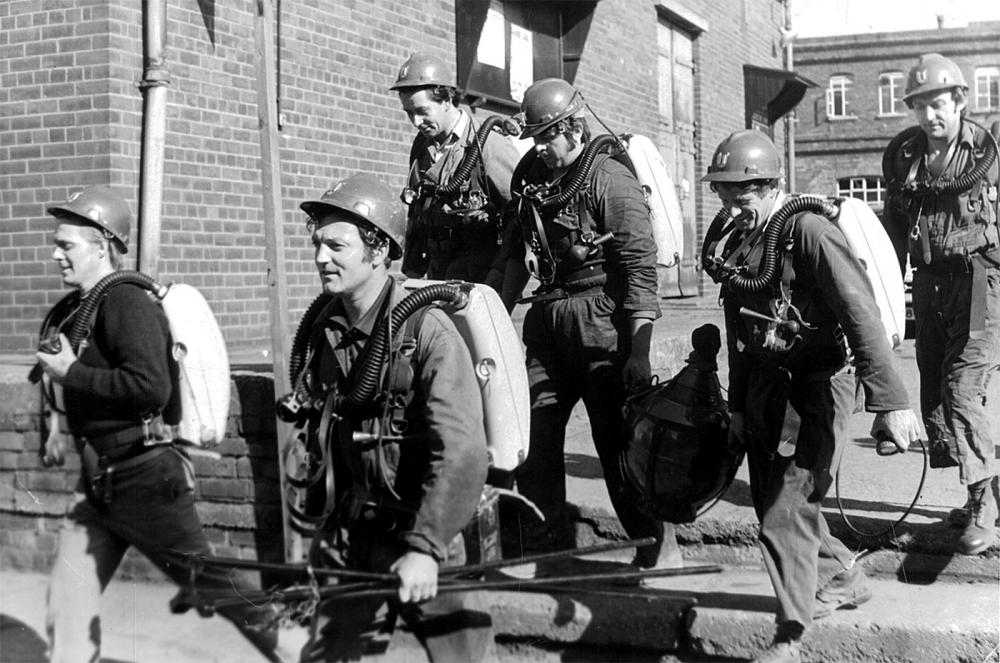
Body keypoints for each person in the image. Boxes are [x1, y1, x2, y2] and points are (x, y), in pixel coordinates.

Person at [36, 186, 296, 662]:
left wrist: (71, 373)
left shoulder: (126, 303)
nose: (56, 254)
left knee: (217, 587)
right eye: (56, 243)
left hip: (144, 479)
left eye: (66, 244)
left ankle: (304, 653)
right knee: (67, 606)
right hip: (98, 486)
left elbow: (150, 387)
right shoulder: (85, 308)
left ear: (103, 245)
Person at [702, 131, 925, 663]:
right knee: (773, 505)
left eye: (745, 195)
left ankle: (790, 638)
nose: (734, 206)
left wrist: (890, 401)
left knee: (786, 510)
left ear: (773, 185)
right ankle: (845, 576)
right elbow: (739, 333)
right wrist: (736, 406)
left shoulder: (809, 231)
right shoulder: (738, 242)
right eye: (725, 195)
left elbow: (860, 311)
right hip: (764, 388)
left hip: (818, 387)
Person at [292, 174, 494, 662]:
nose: (322, 257)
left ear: (379, 249)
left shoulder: (429, 332)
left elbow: (463, 450)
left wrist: (425, 548)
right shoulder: (326, 329)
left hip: (429, 535)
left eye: (337, 245)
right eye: (318, 243)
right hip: (355, 536)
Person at [499, 77, 673, 573]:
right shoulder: (532, 175)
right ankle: (545, 548)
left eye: (548, 136)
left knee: (617, 444)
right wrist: (495, 316)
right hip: (547, 321)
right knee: (534, 438)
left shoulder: (609, 178)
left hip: (602, 322)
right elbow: (514, 252)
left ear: (574, 126)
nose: (541, 148)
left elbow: (640, 269)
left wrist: (639, 352)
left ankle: (656, 549)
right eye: (534, 138)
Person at [882, 52, 1000, 556]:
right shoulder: (905, 157)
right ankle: (989, 489)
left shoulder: (985, 154)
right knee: (935, 387)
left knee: (963, 387)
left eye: (940, 104)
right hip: (927, 285)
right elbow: (889, 228)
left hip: (978, 278)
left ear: (960, 102)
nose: (931, 116)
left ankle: (982, 507)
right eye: (921, 106)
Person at [391, 52, 521, 290]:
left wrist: (500, 275)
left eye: (422, 111)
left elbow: (520, 214)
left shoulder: (488, 145)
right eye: (409, 113)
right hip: (436, 281)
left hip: (479, 286)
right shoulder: (422, 146)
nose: (416, 122)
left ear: (446, 99)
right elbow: (417, 214)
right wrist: (410, 274)